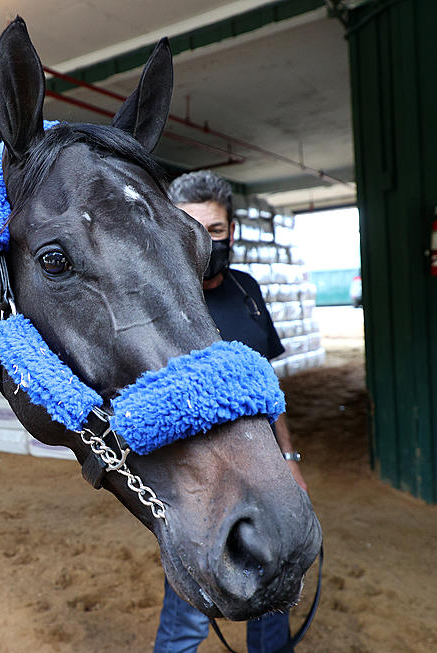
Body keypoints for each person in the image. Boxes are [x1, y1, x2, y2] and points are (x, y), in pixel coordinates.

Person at [154, 171, 307, 653]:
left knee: (277, 588)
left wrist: (289, 458)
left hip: (265, 465)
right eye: (191, 227)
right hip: (204, 479)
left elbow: (268, 387)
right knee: (191, 613)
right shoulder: (160, 299)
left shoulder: (246, 288)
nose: (205, 240)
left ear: (232, 231)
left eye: (215, 230)